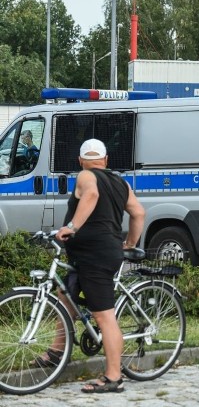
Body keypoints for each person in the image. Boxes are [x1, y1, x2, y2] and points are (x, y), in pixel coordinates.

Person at [53, 138, 145, 393]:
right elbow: (138, 213)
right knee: (65, 295)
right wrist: (129, 243)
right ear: (105, 160)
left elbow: (91, 194)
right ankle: (55, 352)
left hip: (96, 255)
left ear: (81, 160)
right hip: (95, 253)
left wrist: (72, 227)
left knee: (104, 315)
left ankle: (114, 377)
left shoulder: (85, 176)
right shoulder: (121, 182)